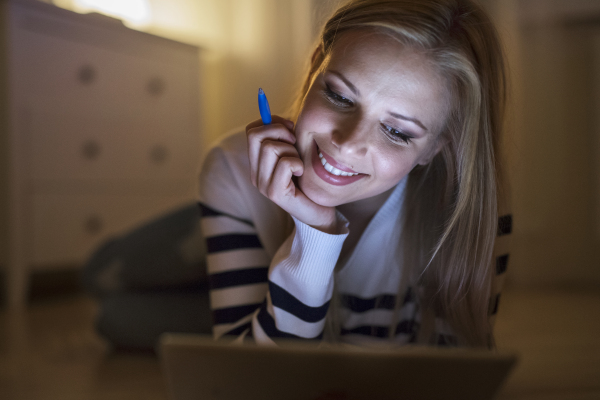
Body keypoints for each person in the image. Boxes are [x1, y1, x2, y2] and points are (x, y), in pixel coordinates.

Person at [198, 0, 511, 349]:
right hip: (212, 226)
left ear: (437, 146)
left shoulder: (469, 210)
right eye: (340, 96)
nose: (347, 145)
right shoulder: (232, 168)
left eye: (396, 132)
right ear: (315, 67)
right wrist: (314, 239)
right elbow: (247, 383)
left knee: (173, 312)